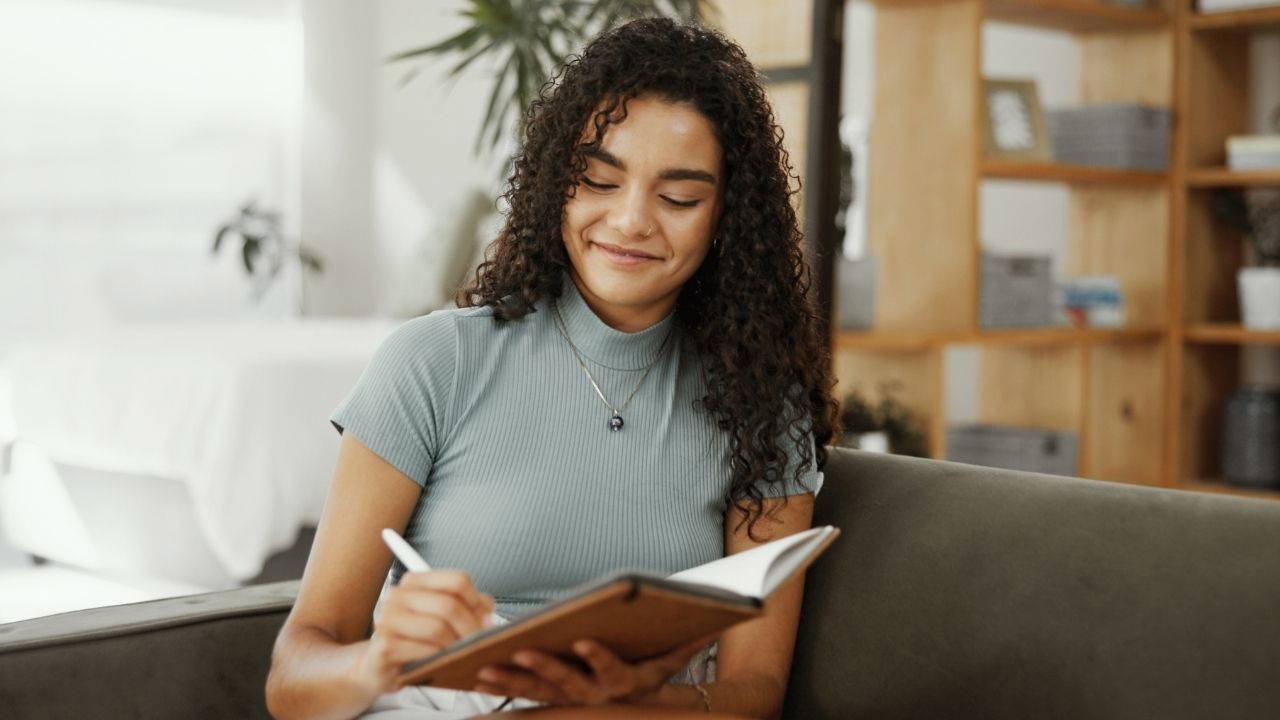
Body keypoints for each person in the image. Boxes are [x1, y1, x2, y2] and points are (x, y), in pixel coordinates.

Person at [264, 16, 839, 720]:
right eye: (598, 179)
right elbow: (294, 681)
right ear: (556, 183)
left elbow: (754, 693)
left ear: (727, 220)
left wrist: (621, 707)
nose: (629, 221)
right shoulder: (433, 363)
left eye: (679, 197)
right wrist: (380, 663)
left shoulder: (760, 405)